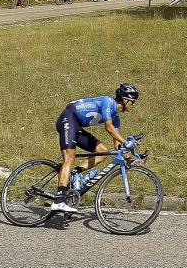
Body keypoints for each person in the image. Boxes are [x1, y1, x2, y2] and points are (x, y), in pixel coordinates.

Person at [51, 83, 139, 213]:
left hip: (76, 126)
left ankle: (74, 172)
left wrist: (127, 156)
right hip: (68, 118)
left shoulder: (116, 118)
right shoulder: (108, 102)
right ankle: (59, 200)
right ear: (125, 100)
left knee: (103, 152)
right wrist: (126, 141)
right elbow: (108, 127)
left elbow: (117, 144)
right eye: (133, 101)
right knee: (69, 158)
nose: (134, 104)